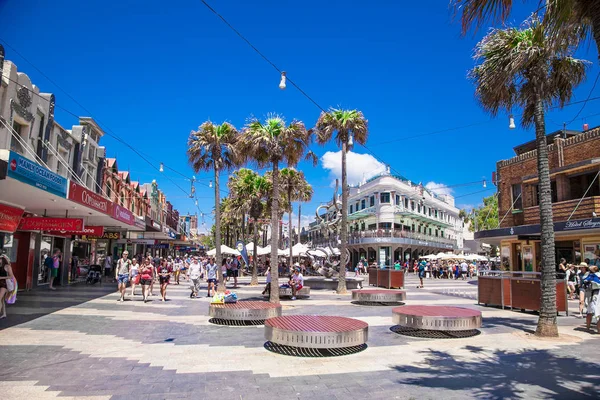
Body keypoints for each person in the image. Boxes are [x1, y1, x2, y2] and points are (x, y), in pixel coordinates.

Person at [582, 265, 600, 332]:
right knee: (597, 312)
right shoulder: (596, 275)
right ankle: (598, 330)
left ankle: (588, 327)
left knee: (590, 311)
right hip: (595, 294)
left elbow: (584, 282)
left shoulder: (589, 275)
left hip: (591, 294)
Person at [0, 254, 16, 319]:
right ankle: (4, 313)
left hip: (4, 284)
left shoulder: (7, 266)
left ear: (3, 259)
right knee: (2, 300)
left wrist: (1, 277)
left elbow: (11, 276)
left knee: (0, 298)